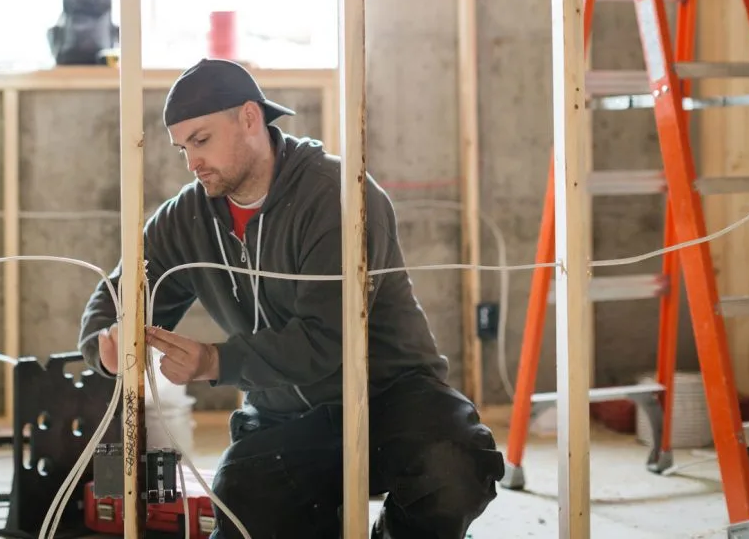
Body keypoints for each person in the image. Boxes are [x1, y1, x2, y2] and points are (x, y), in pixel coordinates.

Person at [77, 58, 504, 539]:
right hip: (283, 417)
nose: (190, 162)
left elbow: (327, 339)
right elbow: (112, 297)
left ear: (249, 118)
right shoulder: (186, 219)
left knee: (453, 466)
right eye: (181, 148)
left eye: (201, 140)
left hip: (389, 397)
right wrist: (106, 346)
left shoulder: (340, 197)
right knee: (243, 510)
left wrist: (213, 360)